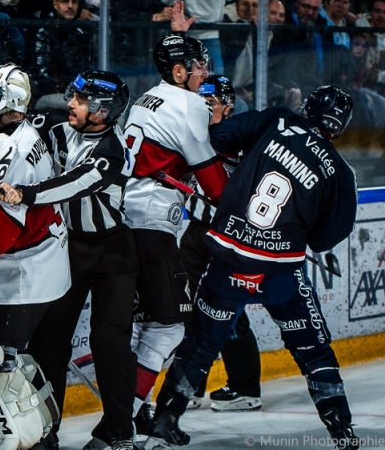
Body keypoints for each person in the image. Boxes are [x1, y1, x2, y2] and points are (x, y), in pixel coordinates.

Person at [146, 86, 359, 450]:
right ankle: (341, 431)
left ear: (307, 107)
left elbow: (218, 139)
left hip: (229, 257)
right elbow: (323, 240)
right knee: (313, 349)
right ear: (339, 127)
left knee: (201, 342)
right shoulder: (341, 173)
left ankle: (165, 419)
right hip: (281, 272)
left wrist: (248, 163)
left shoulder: (276, 119)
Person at [0, 71, 139, 450]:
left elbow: (75, 182)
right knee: (49, 343)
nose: (69, 103)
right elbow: (19, 127)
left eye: (79, 99)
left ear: (103, 110)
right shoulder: (60, 129)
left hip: (113, 253)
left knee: (110, 342)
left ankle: (120, 435)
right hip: (70, 248)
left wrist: (24, 194)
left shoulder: (112, 150)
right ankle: (48, 433)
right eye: (72, 96)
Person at [121, 35, 229, 443]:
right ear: (180, 72)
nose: (206, 74)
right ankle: (122, 416)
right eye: (199, 67)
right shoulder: (191, 104)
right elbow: (213, 181)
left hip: (127, 215)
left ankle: (131, 413)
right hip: (152, 222)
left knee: (141, 324)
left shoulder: (148, 97)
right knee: (168, 329)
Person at [0, 64, 68, 448]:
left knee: (0, 367)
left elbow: (0, 229)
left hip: (19, 276)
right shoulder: (18, 135)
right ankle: (45, 442)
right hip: (39, 268)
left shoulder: (12, 148)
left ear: (1, 101)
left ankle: (36, 444)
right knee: (14, 362)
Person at [179, 75, 262, 413]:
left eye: (210, 103)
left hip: (227, 235)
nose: (204, 107)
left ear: (228, 105)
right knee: (185, 304)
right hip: (197, 231)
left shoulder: (244, 136)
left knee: (226, 309)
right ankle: (193, 384)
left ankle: (245, 387)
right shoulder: (194, 132)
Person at [110, 0, 174, 97]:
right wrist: (152, 17)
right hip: (125, 54)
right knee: (127, 98)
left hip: (149, 53)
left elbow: (156, 8)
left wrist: (164, 13)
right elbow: (122, 14)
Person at [27, 0, 93, 101]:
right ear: (55, 5)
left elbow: (86, 68)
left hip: (76, 94)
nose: (70, 6)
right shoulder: (43, 31)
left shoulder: (81, 32)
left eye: (74, 2)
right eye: (65, 1)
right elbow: (42, 74)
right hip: (50, 94)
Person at [355, 0, 385, 95]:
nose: (381, 16)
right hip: (367, 86)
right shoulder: (362, 33)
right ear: (371, 13)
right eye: (377, 11)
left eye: (384, 12)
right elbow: (365, 70)